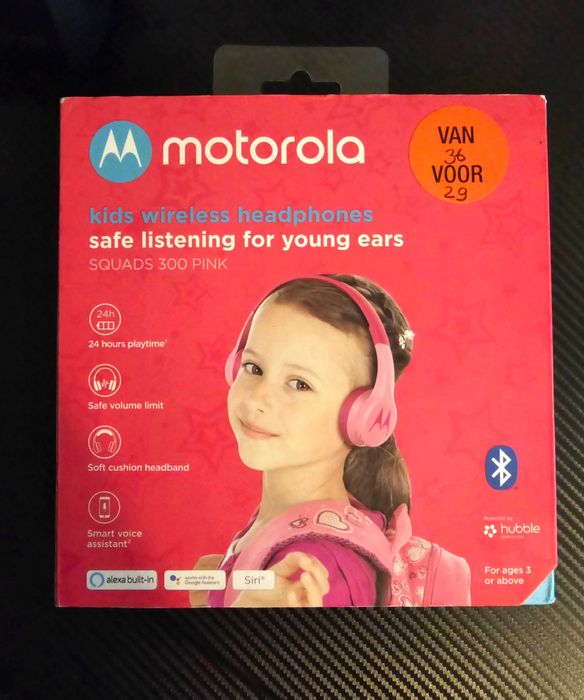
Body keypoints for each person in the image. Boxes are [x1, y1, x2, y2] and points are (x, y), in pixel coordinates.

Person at [190, 273, 470, 608]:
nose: (257, 399)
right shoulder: (291, 525)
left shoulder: (314, 573)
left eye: (299, 384)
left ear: (363, 416)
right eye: (253, 367)